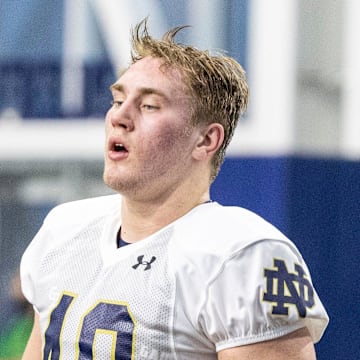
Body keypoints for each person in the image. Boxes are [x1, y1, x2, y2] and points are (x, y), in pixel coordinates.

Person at [20, 19, 328, 359]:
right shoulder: (64, 229)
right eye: (117, 100)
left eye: (149, 105)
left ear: (206, 139)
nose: (120, 117)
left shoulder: (242, 254)